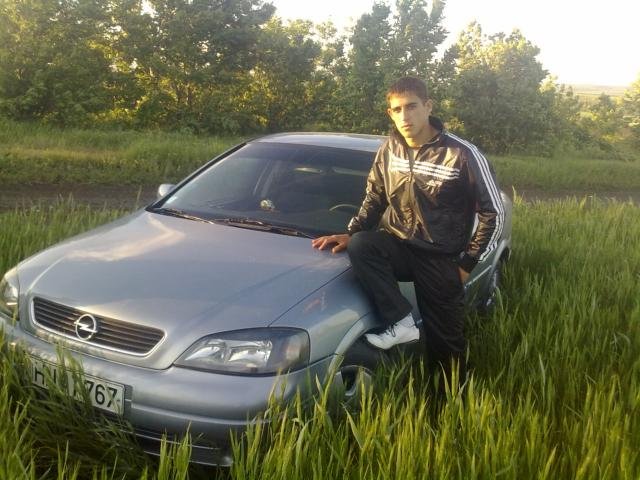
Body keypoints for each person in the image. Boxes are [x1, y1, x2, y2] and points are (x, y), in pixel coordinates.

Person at [311, 76, 504, 382]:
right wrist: (353, 231)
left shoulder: (462, 154)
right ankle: (401, 323)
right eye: (397, 109)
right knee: (362, 244)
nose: (405, 116)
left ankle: (450, 398)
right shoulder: (390, 150)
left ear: (428, 106)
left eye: (412, 107)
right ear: (390, 113)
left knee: (445, 344)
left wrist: (466, 263)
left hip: (441, 258)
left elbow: (494, 213)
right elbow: (375, 196)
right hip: (399, 246)